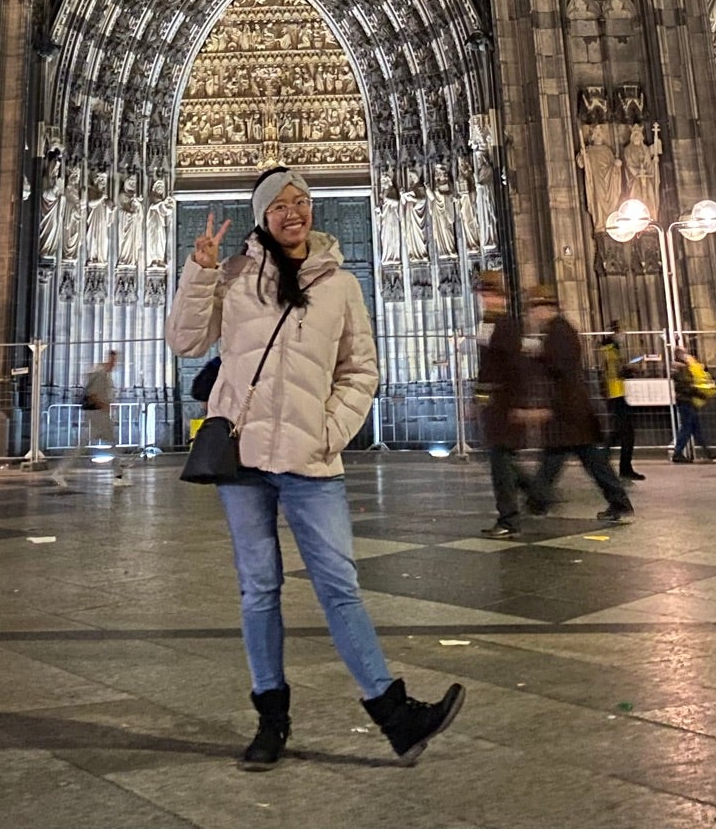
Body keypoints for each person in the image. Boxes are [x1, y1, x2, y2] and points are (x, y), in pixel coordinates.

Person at [167, 166, 464, 770]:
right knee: (258, 590)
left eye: (300, 200)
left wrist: (331, 430)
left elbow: (360, 369)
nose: (291, 211)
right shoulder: (234, 274)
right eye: (278, 204)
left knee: (340, 587)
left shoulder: (342, 285)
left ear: (312, 209)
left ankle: (394, 715)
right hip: (243, 457)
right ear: (262, 216)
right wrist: (199, 270)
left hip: (311, 459)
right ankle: (270, 720)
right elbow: (185, 341)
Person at [524, 285, 634, 525]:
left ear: (545, 308)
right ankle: (537, 502)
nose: (532, 316)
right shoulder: (558, 330)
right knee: (577, 461)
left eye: (534, 309)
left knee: (580, 461)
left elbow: (559, 368)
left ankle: (536, 502)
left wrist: (535, 358)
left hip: (570, 411)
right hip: (571, 412)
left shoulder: (560, 332)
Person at [474, 269, 543, 537]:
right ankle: (539, 495)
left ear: (499, 296)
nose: (485, 299)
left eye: (489, 294)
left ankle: (509, 519)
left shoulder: (506, 325)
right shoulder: (488, 324)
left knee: (501, 464)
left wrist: (519, 404)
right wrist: (479, 399)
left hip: (505, 405)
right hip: (495, 406)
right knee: (503, 461)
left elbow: (516, 368)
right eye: (483, 294)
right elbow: (487, 367)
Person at [52, 349, 125, 490]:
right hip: (97, 413)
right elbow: (91, 394)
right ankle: (60, 471)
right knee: (90, 444)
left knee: (107, 444)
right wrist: (105, 406)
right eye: (113, 360)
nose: (115, 363)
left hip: (98, 413)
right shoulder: (99, 374)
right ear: (109, 359)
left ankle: (119, 475)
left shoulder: (104, 374)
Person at [600, 323, 645, 483]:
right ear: (614, 333)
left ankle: (610, 464)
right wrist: (629, 369)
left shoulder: (611, 349)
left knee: (620, 432)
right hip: (615, 395)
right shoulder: (610, 351)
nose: (623, 334)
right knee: (626, 433)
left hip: (616, 394)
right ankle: (612, 465)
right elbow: (614, 372)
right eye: (621, 331)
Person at [672, 349, 716, 463]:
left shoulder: (682, 367)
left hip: (687, 400)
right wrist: (700, 394)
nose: (688, 355)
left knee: (695, 428)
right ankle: (677, 454)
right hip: (685, 401)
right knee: (687, 428)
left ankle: (708, 452)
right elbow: (686, 386)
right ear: (680, 355)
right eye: (685, 353)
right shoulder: (681, 368)